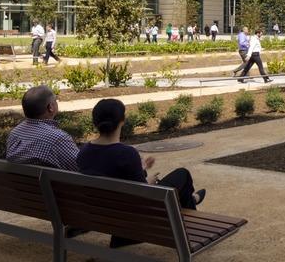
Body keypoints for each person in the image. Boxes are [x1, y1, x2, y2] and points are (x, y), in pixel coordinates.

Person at [79, 98, 204, 247]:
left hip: (103, 215)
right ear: (122, 120)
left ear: (95, 122)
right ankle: (191, 208)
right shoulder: (127, 153)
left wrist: (141, 168)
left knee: (174, 186)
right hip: (134, 218)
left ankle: (191, 199)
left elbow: (109, 171)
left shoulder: (84, 152)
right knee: (182, 174)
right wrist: (150, 181)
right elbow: (142, 193)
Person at [5, 85, 79, 170]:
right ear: (50, 107)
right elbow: (80, 168)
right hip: (51, 183)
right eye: (55, 100)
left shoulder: (14, 134)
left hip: (20, 182)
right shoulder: (58, 139)